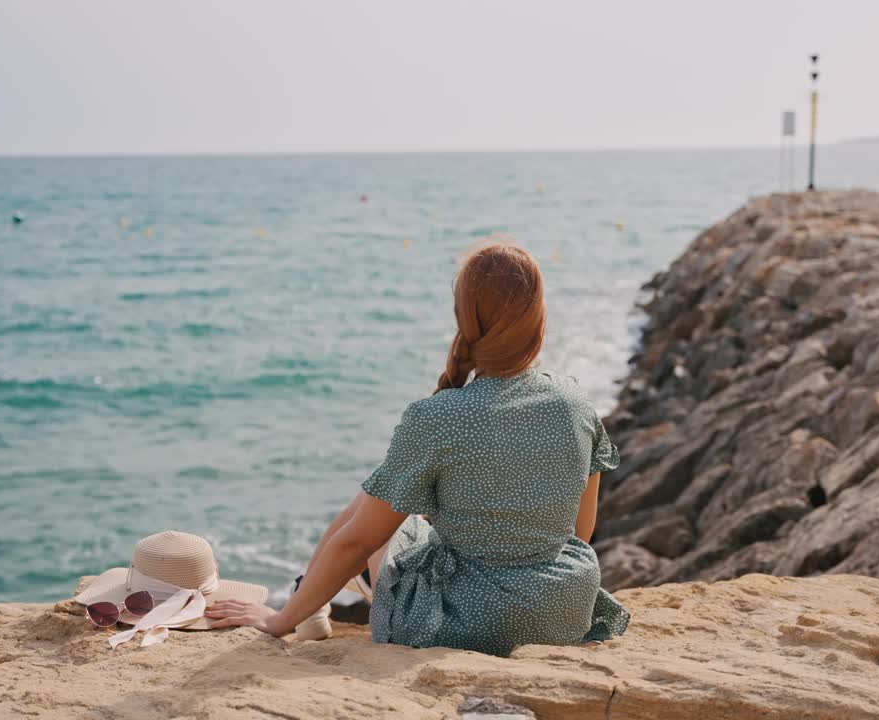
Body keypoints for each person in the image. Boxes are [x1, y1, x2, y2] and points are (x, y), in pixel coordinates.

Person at [204, 241, 630, 655]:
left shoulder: (437, 415)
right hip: (563, 611)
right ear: (538, 315)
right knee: (386, 503)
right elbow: (579, 533)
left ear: (464, 317)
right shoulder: (576, 404)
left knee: (374, 511)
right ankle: (309, 604)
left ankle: (301, 607)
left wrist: (274, 622)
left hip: (470, 623)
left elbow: (357, 543)